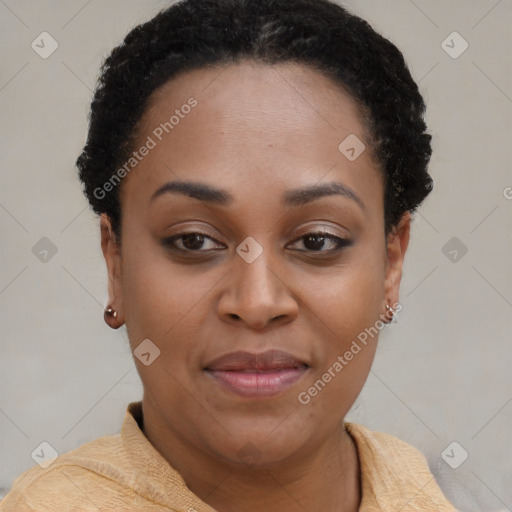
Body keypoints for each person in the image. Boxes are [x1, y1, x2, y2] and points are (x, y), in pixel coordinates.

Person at [0, 0, 459, 510]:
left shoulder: (410, 486)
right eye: (193, 240)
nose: (257, 302)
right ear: (116, 265)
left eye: (316, 241)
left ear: (391, 264)